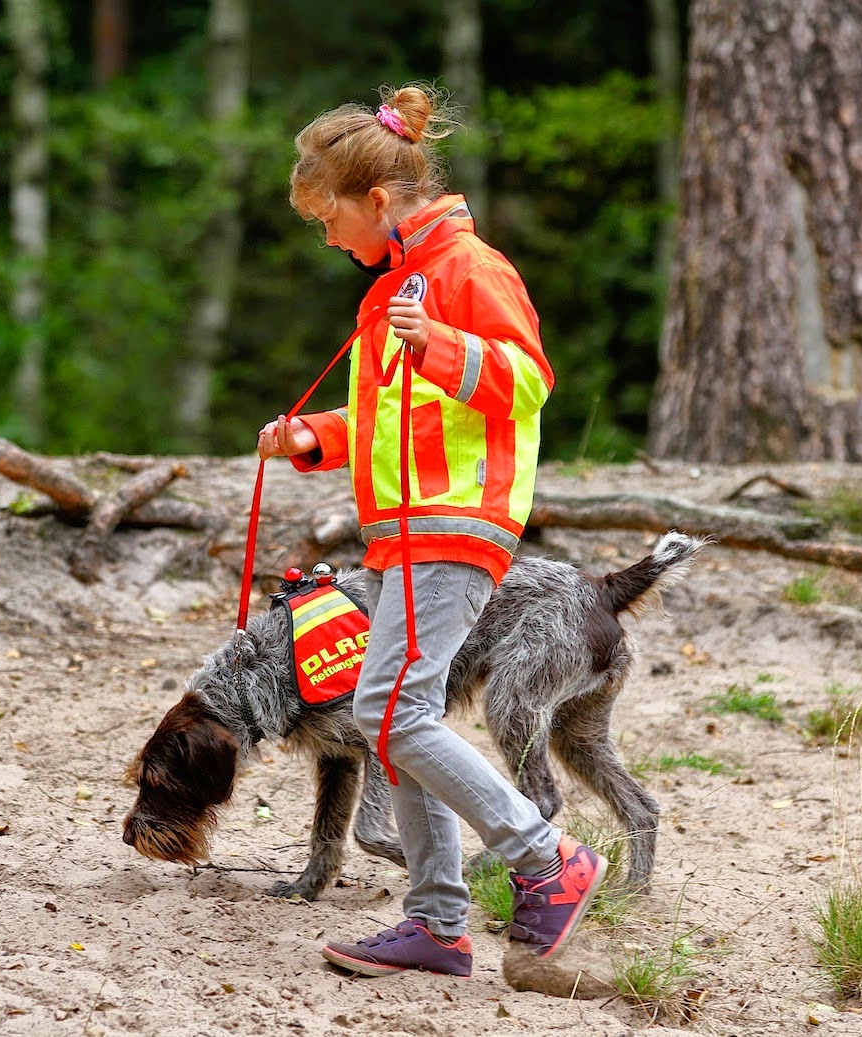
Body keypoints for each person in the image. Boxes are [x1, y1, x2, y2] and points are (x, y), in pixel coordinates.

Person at [257, 84, 606, 979]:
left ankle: (544, 858)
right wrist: (315, 436)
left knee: (391, 713)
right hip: (403, 535)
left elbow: (527, 382)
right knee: (389, 718)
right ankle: (437, 922)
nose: (326, 237)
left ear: (376, 200)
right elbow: (388, 417)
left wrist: (441, 345)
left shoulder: (467, 268)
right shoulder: (393, 289)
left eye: (327, 217)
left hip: (455, 525)